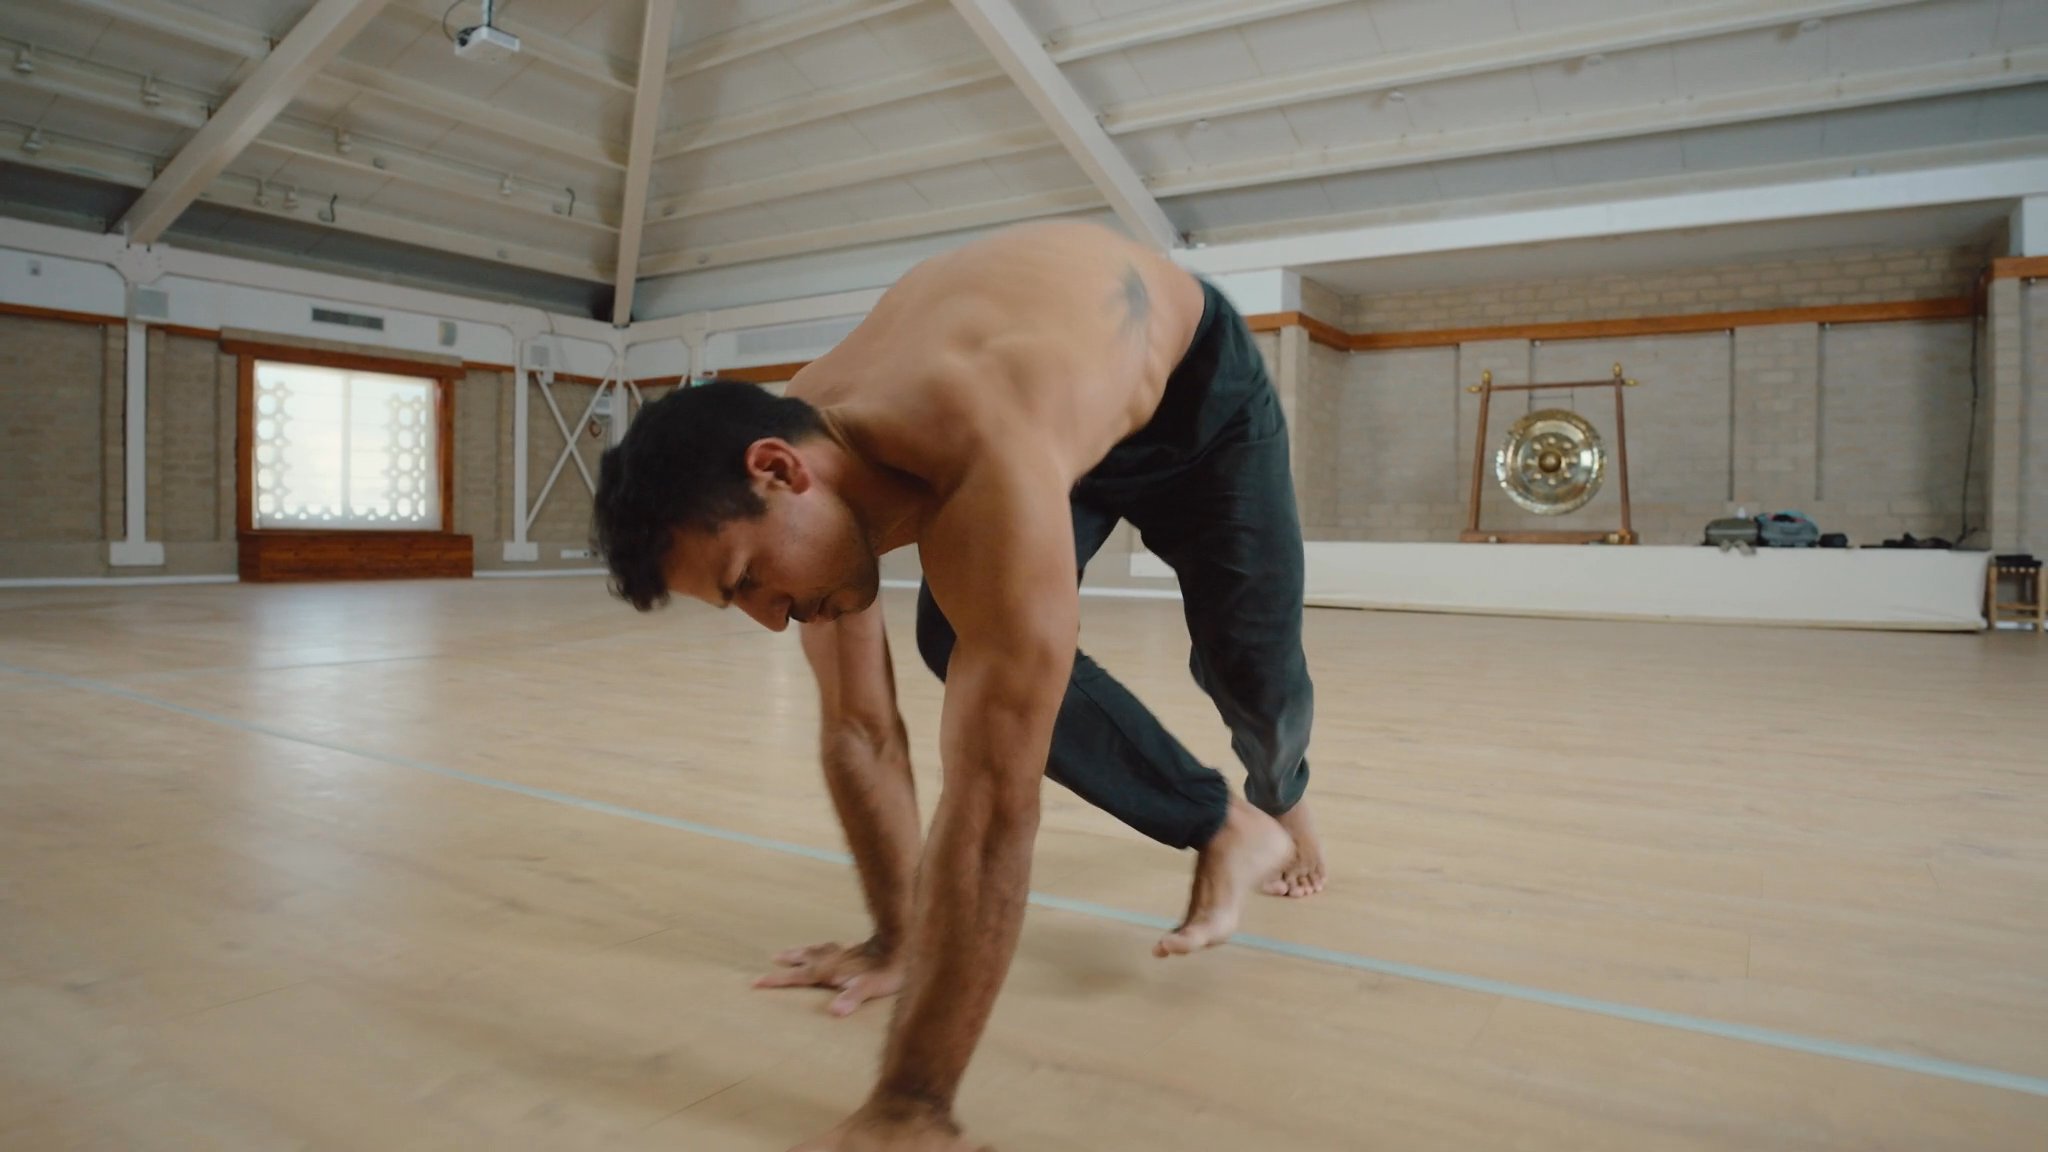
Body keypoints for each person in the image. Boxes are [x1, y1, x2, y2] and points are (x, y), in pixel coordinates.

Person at [592, 218, 1321, 1152]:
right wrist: (898, 937)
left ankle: (1280, 799)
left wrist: (911, 1105)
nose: (771, 619)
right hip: (1056, 405)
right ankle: (1224, 826)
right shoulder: (809, 456)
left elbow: (991, 811)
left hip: (1196, 392)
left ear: (779, 471)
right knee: (957, 635)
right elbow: (860, 729)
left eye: (747, 581)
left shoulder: (977, 434)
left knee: (1249, 665)